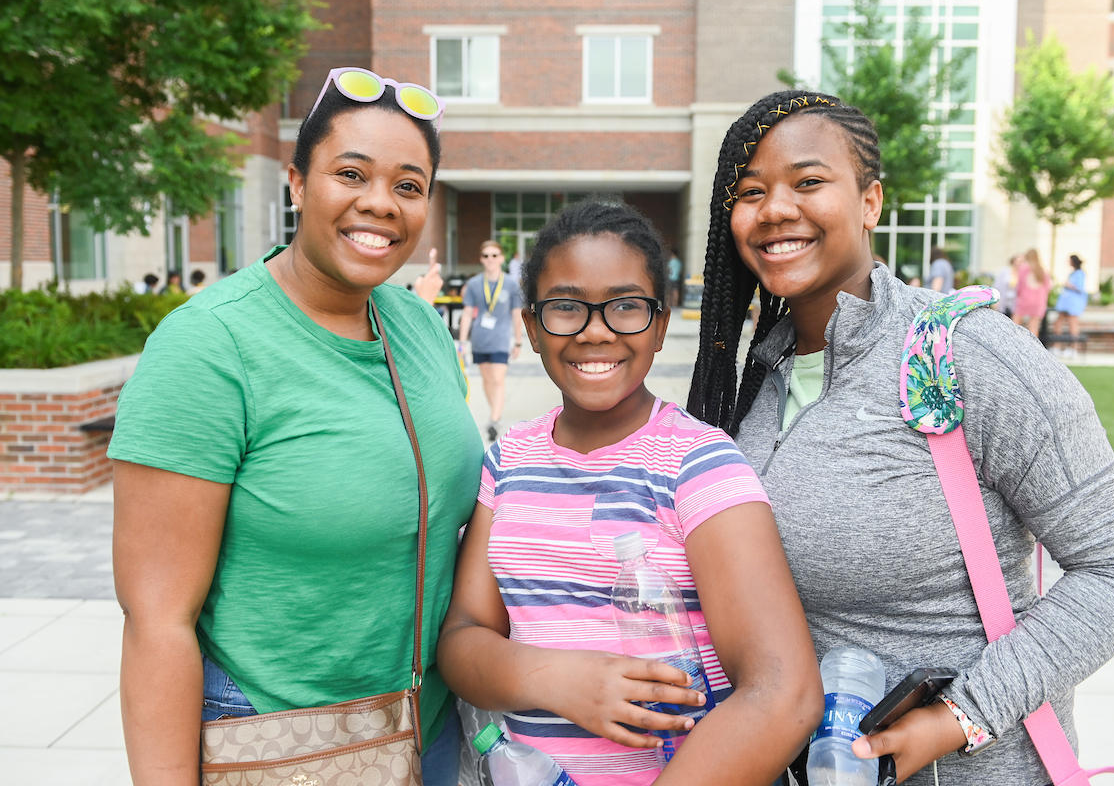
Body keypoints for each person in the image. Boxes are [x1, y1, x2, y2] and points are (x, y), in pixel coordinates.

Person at [686, 89, 1114, 785]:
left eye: (810, 182)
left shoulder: (966, 355)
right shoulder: (752, 383)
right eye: (751, 191)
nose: (776, 209)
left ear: (870, 202)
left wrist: (959, 717)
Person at [109, 68, 478, 786]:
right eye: (351, 174)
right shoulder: (210, 346)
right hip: (277, 739)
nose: (381, 203)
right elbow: (157, 620)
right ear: (297, 183)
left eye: (409, 185)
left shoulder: (415, 324)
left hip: (424, 727)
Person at [437, 200, 822, 786]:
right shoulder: (508, 462)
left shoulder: (699, 465)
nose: (596, 330)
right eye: (566, 308)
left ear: (661, 326)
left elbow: (783, 693)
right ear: (532, 329)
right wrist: (556, 678)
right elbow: (464, 636)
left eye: (625, 307)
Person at [460, 239, 523, 441]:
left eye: (494, 255)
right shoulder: (474, 284)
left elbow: (516, 314)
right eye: (486, 256)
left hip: (501, 340)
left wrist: (518, 340)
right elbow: (467, 312)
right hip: (479, 339)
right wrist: (462, 342)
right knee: (487, 380)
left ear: (501, 258)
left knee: (497, 379)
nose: (490, 259)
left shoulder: (511, 284)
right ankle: (495, 413)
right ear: (481, 259)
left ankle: (495, 418)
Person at [1051, 254, 1088, 355]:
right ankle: (1056, 346)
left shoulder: (1080, 274)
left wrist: (1069, 285)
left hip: (1073, 303)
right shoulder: (1072, 273)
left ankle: (1074, 348)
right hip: (1065, 302)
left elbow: (1080, 288)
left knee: (1073, 324)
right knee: (1058, 323)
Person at [1012, 247, 1049, 336]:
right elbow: (1047, 287)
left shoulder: (1024, 269)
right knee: (1034, 327)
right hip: (1038, 301)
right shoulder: (1042, 271)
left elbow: (1019, 286)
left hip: (1025, 299)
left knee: (1014, 324)